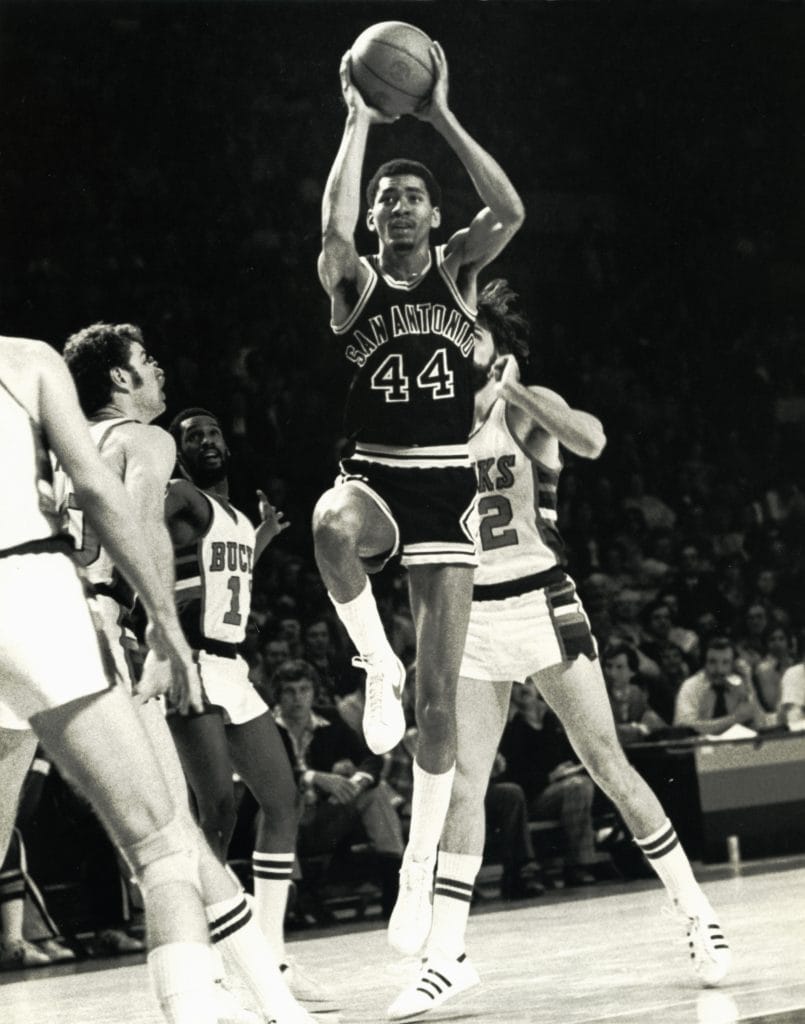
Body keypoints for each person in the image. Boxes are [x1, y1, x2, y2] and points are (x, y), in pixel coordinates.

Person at [387, 281, 731, 1020]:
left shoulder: (526, 407)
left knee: (606, 762)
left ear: (492, 345)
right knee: (463, 786)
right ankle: (445, 957)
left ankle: (698, 914)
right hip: (469, 615)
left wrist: (518, 391)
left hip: (541, 598)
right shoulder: (433, 424)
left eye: (463, 334)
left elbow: (592, 440)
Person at [313, 41, 524, 957]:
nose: (395, 205)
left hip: (447, 484)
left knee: (442, 707)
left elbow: (511, 209)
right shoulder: (354, 280)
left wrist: (437, 114)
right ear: (371, 219)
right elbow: (327, 231)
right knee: (328, 524)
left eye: (410, 196)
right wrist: (359, 121)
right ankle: (374, 665)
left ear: (433, 215)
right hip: (375, 474)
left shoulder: (458, 270)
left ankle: (417, 867)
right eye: (383, 199)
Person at [58, 323, 316, 1024]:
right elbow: (140, 528)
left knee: (181, 828)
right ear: (119, 379)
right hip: (113, 630)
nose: (158, 370)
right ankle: (221, 996)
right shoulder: (147, 443)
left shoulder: (68, 446)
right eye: (146, 362)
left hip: (42, 622)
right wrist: (164, 637)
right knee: (172, 832)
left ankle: (259, 988)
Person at [0, 333, 224, 1024]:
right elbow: (102, 494)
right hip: (39, 593)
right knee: (161, 840)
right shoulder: (27, 361)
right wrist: (163, 619)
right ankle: (203, 1007)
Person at [164, 407, 328, 1006]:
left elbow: (221, 574)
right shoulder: (178, 495)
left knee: (282, 801)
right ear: (176, 453)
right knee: (217, 814)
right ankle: (211, 968)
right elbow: (138, 526)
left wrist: (257, 538)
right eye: (192, 436)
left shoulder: (231, 515)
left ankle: (272, 956)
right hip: (192, 664)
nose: (207, 439)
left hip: (232, 668)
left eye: (213, 431)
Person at [272, 659, 404, 917]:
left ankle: (395, 892)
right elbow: (267, 773)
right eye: (289, 691)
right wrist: (313, 777)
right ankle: (293, 904)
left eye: (304, 689)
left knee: (374, 795)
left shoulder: (329, 718)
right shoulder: (264, 726)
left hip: (325, 816)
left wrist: (359, 781)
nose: (298, 698)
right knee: (274, 812)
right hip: (284, 818)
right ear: (278, 695)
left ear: (313, 691)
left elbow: (370, 757)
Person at [673, 636, 763, 735]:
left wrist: (748, 681)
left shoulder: (739, 683)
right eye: (712, 662)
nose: (719, 670)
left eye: (725, 662)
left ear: (734, 664)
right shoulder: (691, 686)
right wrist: (734, 719)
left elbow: (761, 725)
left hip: (737, 748)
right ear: (704, 663)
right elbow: (685, 729)